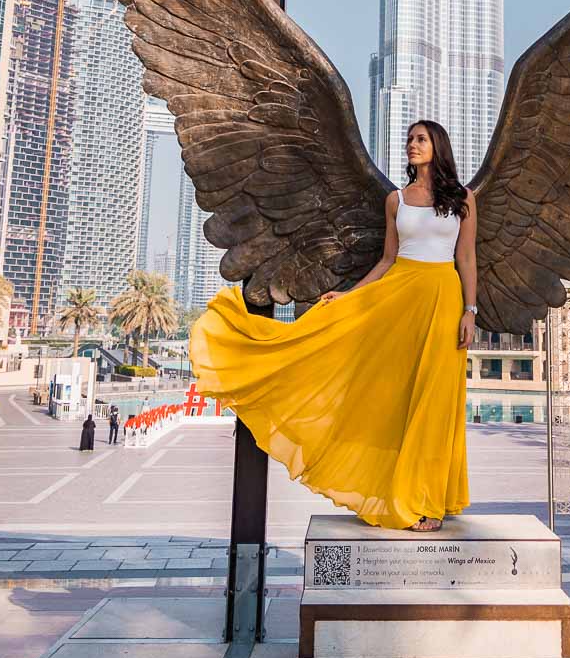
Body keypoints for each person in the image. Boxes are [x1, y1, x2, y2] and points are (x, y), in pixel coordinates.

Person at [191, 119, 476, 534]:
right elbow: (387, 260)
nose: (412, 144)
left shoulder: (463, 199)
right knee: (394, 397)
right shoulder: (395, 200)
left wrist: (470, 310)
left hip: (443, 300)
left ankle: (431, 500)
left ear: (438, 146)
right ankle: (400, 493)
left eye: (421, 139)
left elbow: (466, 258)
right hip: (397, 298)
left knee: (436, 401)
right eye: (410, 139)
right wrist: (350, 296)